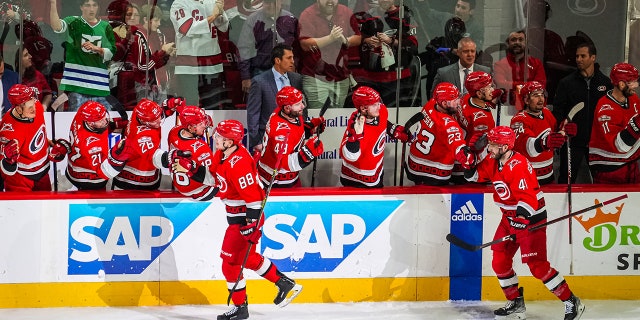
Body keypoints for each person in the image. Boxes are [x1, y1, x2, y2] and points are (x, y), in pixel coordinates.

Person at [172, 119, 302, 320]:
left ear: (230, 141)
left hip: (245, 218)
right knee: (246, 259)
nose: (216, 138)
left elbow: (255, 198)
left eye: (220, 137)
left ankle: (241, 307)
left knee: (229, 265)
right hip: (237, 216)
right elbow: (214, 178)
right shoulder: (222, 154)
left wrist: (252, 225)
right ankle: (284, 283)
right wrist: (192, 169)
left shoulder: (239, 162)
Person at [465, 126, 585, 320]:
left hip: (530, 217)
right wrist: (469, 160)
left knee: (537, 267)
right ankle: (515, 302)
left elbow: (529, 198)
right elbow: (475, 177)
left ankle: (571, 301)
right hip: (509, 218)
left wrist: (522, 220)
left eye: (493, 145)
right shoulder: (492, 160)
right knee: (499, 260)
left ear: (505, 146)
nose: (489, 149)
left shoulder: (518, 165)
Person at [552, 42, 612, 183]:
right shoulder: (566, 83)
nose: (579, 59)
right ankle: (563, 205)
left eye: (583, 56)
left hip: (598, 142)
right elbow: (558, 111)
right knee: (566, 180)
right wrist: (561, 130)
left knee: (601, 180)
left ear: (593, 58)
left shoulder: (606, 82)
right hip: (573, 141)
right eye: (577, 56)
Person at [0, 84, 70, 192]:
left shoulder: (36, 106)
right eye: (30, 108)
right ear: (18, 109)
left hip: (42, 172)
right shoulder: (8, 130)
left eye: (33, 103)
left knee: (45, 206)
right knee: (20, 208)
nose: (34, 109)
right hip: (20, 178)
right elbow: (5, 169)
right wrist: (9, 162)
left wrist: (51, 143)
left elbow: (37, 133)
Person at [49, 0, 116, 111]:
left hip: (99, 85)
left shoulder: (105, 27)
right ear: (81, 7)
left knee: (101, 123)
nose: (91, 8)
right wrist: (52, 4)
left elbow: (111, 53)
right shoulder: (73, 22)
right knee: (77, 122)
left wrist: (97, 48)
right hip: (76, 85)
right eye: (88, 5)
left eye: (94, 5)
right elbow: (57, 27)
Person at [351, 0, 418, 108]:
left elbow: (414, 47)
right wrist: (366, 40)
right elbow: (356, 39)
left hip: (397, 79)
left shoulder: (406, 16)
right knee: (371, 114)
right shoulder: (367, 15)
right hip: (369, 79)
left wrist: (392, 41)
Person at [403, 82, 473, 185]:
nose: (458, 103)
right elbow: (457, 146)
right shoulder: (449, 125)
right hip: (436, 172)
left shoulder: (430, 104)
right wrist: (466, 155)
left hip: (414, 163)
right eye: (454, 101)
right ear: (444, 103)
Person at [340, 85, 408, 187]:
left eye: (378, 102)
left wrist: (392, 129)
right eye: (374, 104)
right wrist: (354, 137)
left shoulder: (382, 110)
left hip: (377, 171)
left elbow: (382, 122)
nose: (379, 106)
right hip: (356, 178)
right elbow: (350, 156)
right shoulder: (355, 128)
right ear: (363, 108)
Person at [257, 86, 325, 188]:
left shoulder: (287, 113)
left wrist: (309, 128)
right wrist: (308, 153)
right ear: (287, 108)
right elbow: (283, 163)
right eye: (298, 104)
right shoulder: (281, 133)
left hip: (288, 176)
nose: (302, 106)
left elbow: (293, 135)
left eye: (301, 102)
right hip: (277, 181)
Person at [298, 0, 361, 109]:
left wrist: (346, 41)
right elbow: (305, 44)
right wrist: (330, 38)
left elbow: (358, 38)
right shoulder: (307, 14)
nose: (330, 1)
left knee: (337, 118)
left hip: (341, 77)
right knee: (317, 118)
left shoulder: (346, 12)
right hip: (315, 77)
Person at [510, 81, 575, 185]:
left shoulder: (546, 112)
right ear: (526, 99)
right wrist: (545, 143)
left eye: (542, 95)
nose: (541, 99)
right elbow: (528, 147)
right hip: (527, 178)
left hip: (549, 175)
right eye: (535, 95)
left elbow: (555, 136)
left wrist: (564, 131)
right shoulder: (519, 120)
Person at [109, 98, 180, 190]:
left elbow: (157, 113)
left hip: (124, 174)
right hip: (141, 181)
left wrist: (170, 104)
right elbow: (154, 156)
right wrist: (170, 157)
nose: (159, 121)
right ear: (144, 122)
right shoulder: (144, 136)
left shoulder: (138, 112)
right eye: (154, 121)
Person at [170, 0, 230, 109]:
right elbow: (186, 28)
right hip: (188, 65)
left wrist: (220, 12)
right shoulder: (179, 3)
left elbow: (224, 27)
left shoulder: (211, 1)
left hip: (212, 64)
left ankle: (209, 126)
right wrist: (213, 15)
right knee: (190, 106)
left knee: (213, 104)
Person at [589, 62, 640, 184]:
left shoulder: (633, 98)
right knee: (612, 203)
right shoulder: (605, 108)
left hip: (631, 163)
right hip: (610, 168)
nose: (636, 85)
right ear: (621, 84)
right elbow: (620, 146)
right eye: (632, 82)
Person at [247, 44, 303, 154]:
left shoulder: (296, 79)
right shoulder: (259, 82)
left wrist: (302, 132)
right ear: (277, 60)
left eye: (293, 57)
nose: (293, 61)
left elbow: (302, 108)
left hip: (292, 137)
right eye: (288, 58)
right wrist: (257, 141)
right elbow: (253, 114)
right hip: (268, 139)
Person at [236, 0, 299, 94]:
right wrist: (246, 76)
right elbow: (244, 49)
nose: (271, 6)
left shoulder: (290, 19)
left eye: (274, 2)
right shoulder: (253, 20)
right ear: (263, 3)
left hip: (286, 72)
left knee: (287, 105)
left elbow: (297, 47)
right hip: (261, 71)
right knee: (262, 105)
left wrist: (295, 65)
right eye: (267, 2)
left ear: (280, 2)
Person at [65, 100, 128, 190]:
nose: (105, 121)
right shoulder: (92, 146)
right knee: (96, 200)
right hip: (89, 179)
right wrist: (117, 153)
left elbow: (102, 126)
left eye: (104, 116)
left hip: (75, 166)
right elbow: (104, 172)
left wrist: (115, 124)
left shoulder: (82, 113)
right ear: (91, 123)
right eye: (100, 120)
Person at [164, 105, 218, 200]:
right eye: (201, 123)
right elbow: (213, 179)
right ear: (190, 128)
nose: (204, 125)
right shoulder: (201, 148)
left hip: (180, 185)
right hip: (201, 191)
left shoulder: (173, 131)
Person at [493, 30, 546, 111]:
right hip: (506, 107)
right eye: (513, 40)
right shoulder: (499, 64)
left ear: (526, 43)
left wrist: (514, 85)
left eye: (520, 40)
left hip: (532, 108)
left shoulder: (536, 63)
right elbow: (501, 84)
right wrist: (527, 85)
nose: (517, 42)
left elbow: (540, 85)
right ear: (508, 43)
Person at [415, 0, 484, 50]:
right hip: (443, 63)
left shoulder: (476, 28)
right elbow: (428, 13)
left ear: (471, 12)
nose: (458, 10)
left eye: (463, 8)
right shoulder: (446, 18)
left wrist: (449, 50)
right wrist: (422, 2)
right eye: (458, 6)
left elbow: (476, 50)